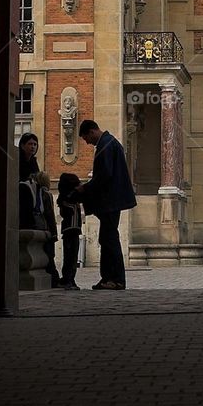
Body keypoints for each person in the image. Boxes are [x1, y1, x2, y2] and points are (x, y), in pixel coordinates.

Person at [72, 119, 136, 291]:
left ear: (92, 132)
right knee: (107, 238)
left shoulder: (105, 145)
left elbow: (104, 175)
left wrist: (85, 188)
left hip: (110, 201)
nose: (88, 142)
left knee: (109, 239)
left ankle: (115, 279)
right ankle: (108, 277)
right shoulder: (111, 143)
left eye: (87, 138)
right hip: (114, 200)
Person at [57, 172, 82, 291]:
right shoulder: (67, 198)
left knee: (73, 257)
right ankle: (67, 279)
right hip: (69, 230)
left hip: (74, 230)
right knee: (69, 257)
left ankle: (71, 278)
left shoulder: (70, 197)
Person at [36, 171, 60, 288]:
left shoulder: (36, 192)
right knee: (50, 255)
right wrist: (54, 233)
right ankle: (54, 279)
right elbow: (50, 214)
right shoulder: (47, 194)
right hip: (46, 227)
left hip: (38, 226)